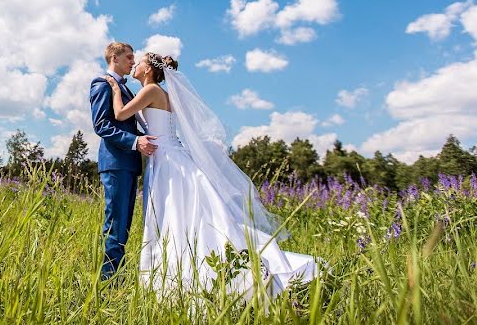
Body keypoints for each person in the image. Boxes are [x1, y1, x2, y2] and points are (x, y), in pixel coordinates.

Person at [104, 53, 318, 298]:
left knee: (173, 216)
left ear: (149, 69)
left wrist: (115, 88)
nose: (136, 65)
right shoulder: (161, 93)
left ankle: (180, 276)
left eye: (139, 61)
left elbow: (120, 114)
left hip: (168, 161)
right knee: (179, 217)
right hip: (168, 157)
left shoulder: (151, 90)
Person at [89, 42, 159, 280]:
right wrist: (135, 141)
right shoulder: (101, 84)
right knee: (115, 223)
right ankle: (108, 282)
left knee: (124, 225)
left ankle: (115, 276)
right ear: (114, 58)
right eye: (128, 57)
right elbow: (102, 125)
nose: (132, 61)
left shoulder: (125, 89)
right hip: (116, 163)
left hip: (129, 165)